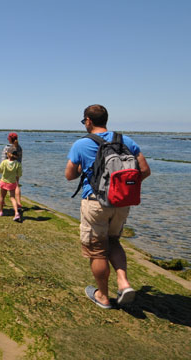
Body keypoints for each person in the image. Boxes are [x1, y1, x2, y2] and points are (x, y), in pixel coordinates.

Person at [65, 104, 151, 309]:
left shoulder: (81, 144)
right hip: (121, 203)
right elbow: (145, 171)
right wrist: (121, 188)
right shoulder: (125, 141)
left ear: (88, 120)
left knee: (97, 250)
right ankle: (123, 282)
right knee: (114, 241)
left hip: (95, 203)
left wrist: (83, 169)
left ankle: (103, 296)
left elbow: (69, 176)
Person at [0, 146, 22, 221]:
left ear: (8, 154)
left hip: (4, 182)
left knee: (2, 197)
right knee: (12, 198)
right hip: (12, 183)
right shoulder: (18, 164)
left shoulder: (4, 162)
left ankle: (1, 211)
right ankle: (16, 213)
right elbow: (19, 174)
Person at [1, 132, 23, 209]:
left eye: (8, 137)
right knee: (16, 185)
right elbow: (19, 160)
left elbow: (3, 160)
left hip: (7, 170)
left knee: (4, 186)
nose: (7, 138)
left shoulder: (7, 147)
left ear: (10, 138)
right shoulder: (19, 148)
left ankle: (2, 201)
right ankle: (19, 203)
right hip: (16, 169)